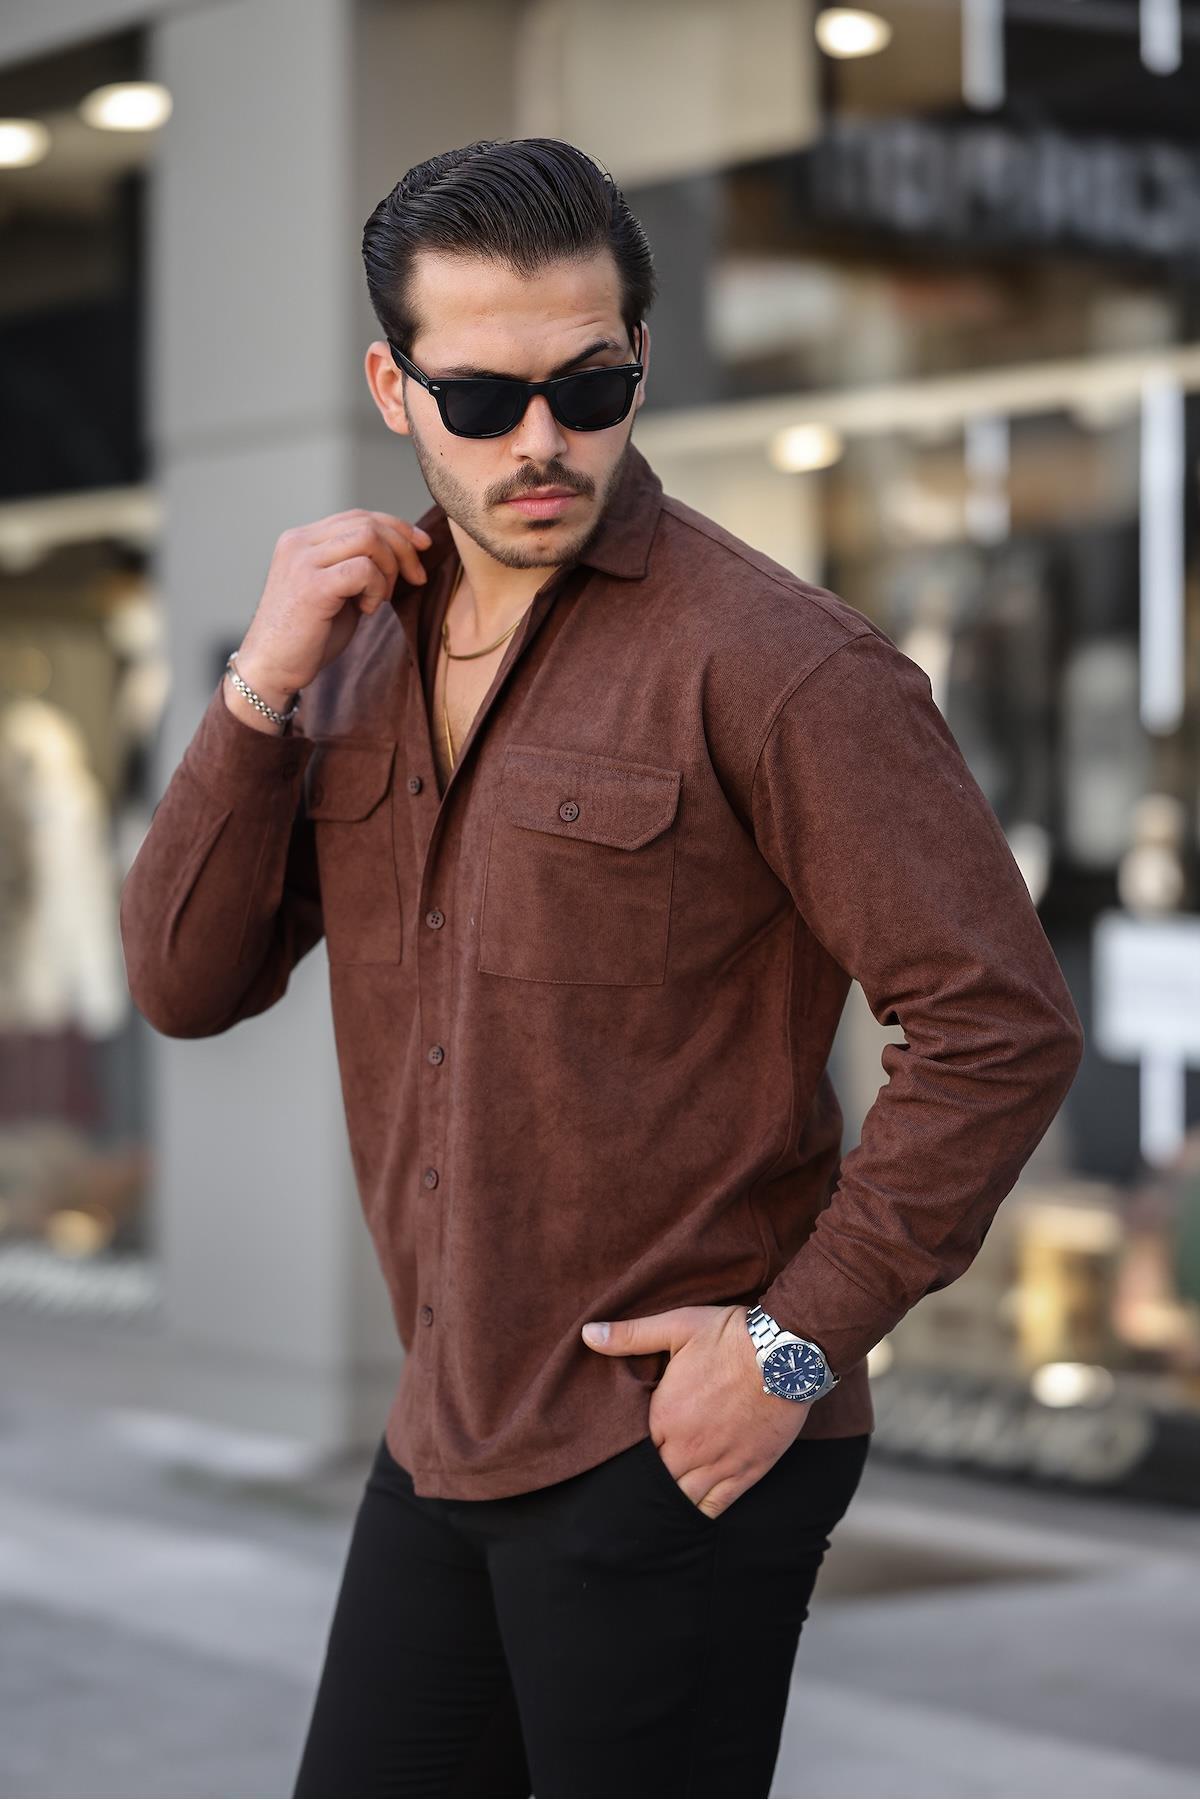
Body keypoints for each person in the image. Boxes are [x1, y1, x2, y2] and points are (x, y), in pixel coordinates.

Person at [119, 138, 1085, 1799]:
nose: (541, 443)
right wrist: (261, 683)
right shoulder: (351, 651)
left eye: (589, 386)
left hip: (669, 1449)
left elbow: (999, 1025)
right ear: (394, 387)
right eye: (481, 399)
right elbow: (185, 981)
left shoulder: (780, 664)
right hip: (446, 1425)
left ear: (641, 353)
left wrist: (790, 1352)